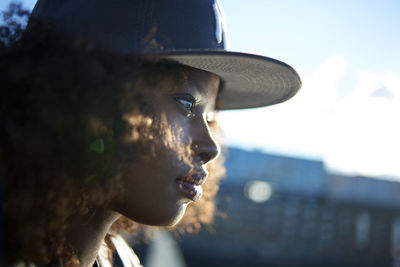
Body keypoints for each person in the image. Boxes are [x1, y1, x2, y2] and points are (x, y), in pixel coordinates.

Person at [0, 0, 301, 266]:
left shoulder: (122, 259)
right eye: (186, 104)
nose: (211, 148)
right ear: (90, 96)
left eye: (209, 118)